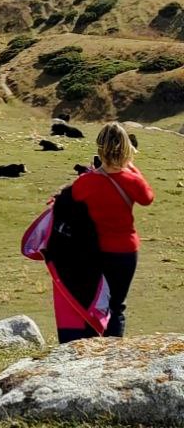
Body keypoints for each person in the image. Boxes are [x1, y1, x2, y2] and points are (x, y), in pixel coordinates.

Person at [67, 122, 154, 341]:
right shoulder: (132, 180)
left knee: (92, 303)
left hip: (94, 252)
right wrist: (131, 167)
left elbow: (74, 199)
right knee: (117, 306)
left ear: (100, 149)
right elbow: (147, 198)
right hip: (125, 250)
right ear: (126, 149)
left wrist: (96, 171)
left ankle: (90, 352)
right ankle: (113, 354)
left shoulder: (85, 182)